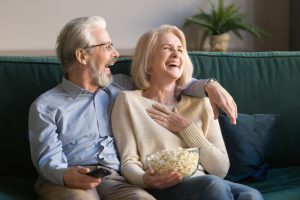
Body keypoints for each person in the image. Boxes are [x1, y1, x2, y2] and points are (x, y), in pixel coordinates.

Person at [28, 16, 237, 200]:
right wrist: (65, 175)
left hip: (115, 178)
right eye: (107, 47)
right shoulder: (45, 106)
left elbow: (168, 79)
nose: (116, 54)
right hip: (66, 179)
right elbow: (47, 160)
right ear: (83, 56)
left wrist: (210, 85)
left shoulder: (122, 86)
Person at [111, 24, 263, 200]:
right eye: (167, 48)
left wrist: (186, 127)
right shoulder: (128, 101)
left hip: (205, 183)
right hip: (161, 186)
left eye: (180, 50)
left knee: (251, 194)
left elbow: (220, 169)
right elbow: (129, 161)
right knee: (213, 185)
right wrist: (145, 179)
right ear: (148, 61)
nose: (176, 54)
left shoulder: (202, 103)